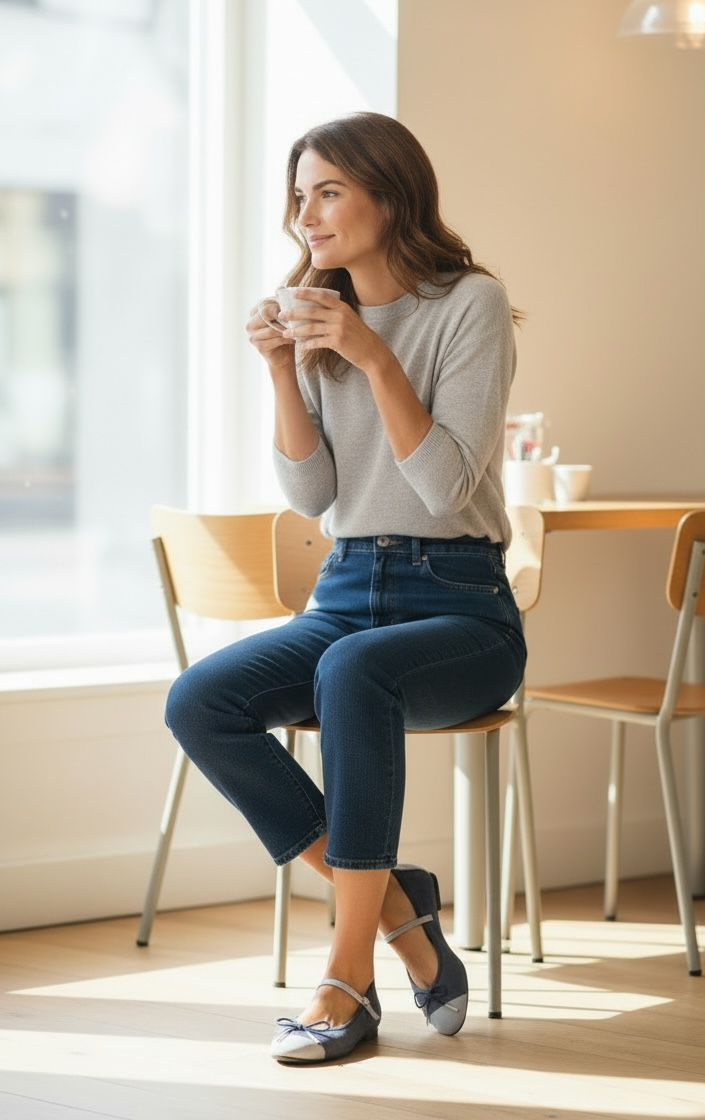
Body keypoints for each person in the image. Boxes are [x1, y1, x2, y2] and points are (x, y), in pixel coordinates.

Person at [165, 111, 527, 1065]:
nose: (306, 216)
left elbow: (446, 484)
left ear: (389, 193)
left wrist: (371, 353)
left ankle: (347, 975)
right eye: (299, 196)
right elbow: (314, 492)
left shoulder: (469, 304)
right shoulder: (314, 304)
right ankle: (401, 907)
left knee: (358, 671)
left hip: (461, 607)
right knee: (202, 700)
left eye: (327, 191)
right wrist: (285, 370)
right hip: (347, 585)